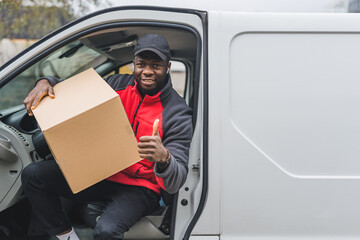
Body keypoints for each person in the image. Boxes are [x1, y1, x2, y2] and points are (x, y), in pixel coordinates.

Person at [21, 34, 193, 240]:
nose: (147, 71)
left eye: (156, 65)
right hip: (102, 171)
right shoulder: (116, 84)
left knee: (106, 231)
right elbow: (72, 92)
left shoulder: (177, 112)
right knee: (34, 175)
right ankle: (67, 237)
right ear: (133, 64)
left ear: (168, 66)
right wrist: (45, 81)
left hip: (141, 187)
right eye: (141, 64)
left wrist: (164, 158)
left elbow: (177, 179)